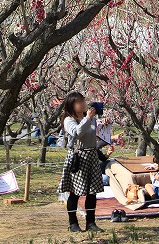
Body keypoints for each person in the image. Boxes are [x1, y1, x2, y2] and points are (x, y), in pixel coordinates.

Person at [57, 91, 104, 233]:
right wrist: (88, 119)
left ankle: (91, 222)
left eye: (83, 101)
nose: (83, 104)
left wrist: (103, 124)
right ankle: (73, 223)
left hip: (91, 156)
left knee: (92, 192)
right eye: (79, 102)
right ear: (72, 105)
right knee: (75, 192)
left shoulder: (90, 118)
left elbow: (94, 135)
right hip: (78, 157)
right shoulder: (68, 119)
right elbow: (77, 132)